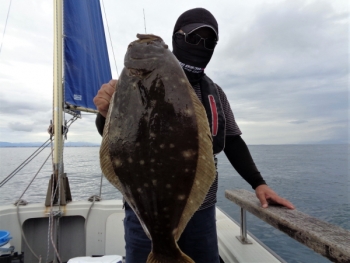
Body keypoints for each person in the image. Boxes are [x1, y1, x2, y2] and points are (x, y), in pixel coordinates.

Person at [93, 7, 295, 263]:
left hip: (201, 208)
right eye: (192, 38)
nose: (201, 45)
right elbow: (112, 137)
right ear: (175, 40)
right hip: (144, 210)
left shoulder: (216, 94)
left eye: (209, 41)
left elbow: (232, 140)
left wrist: (259, 183)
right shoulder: (125, 86)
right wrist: (104, 112)